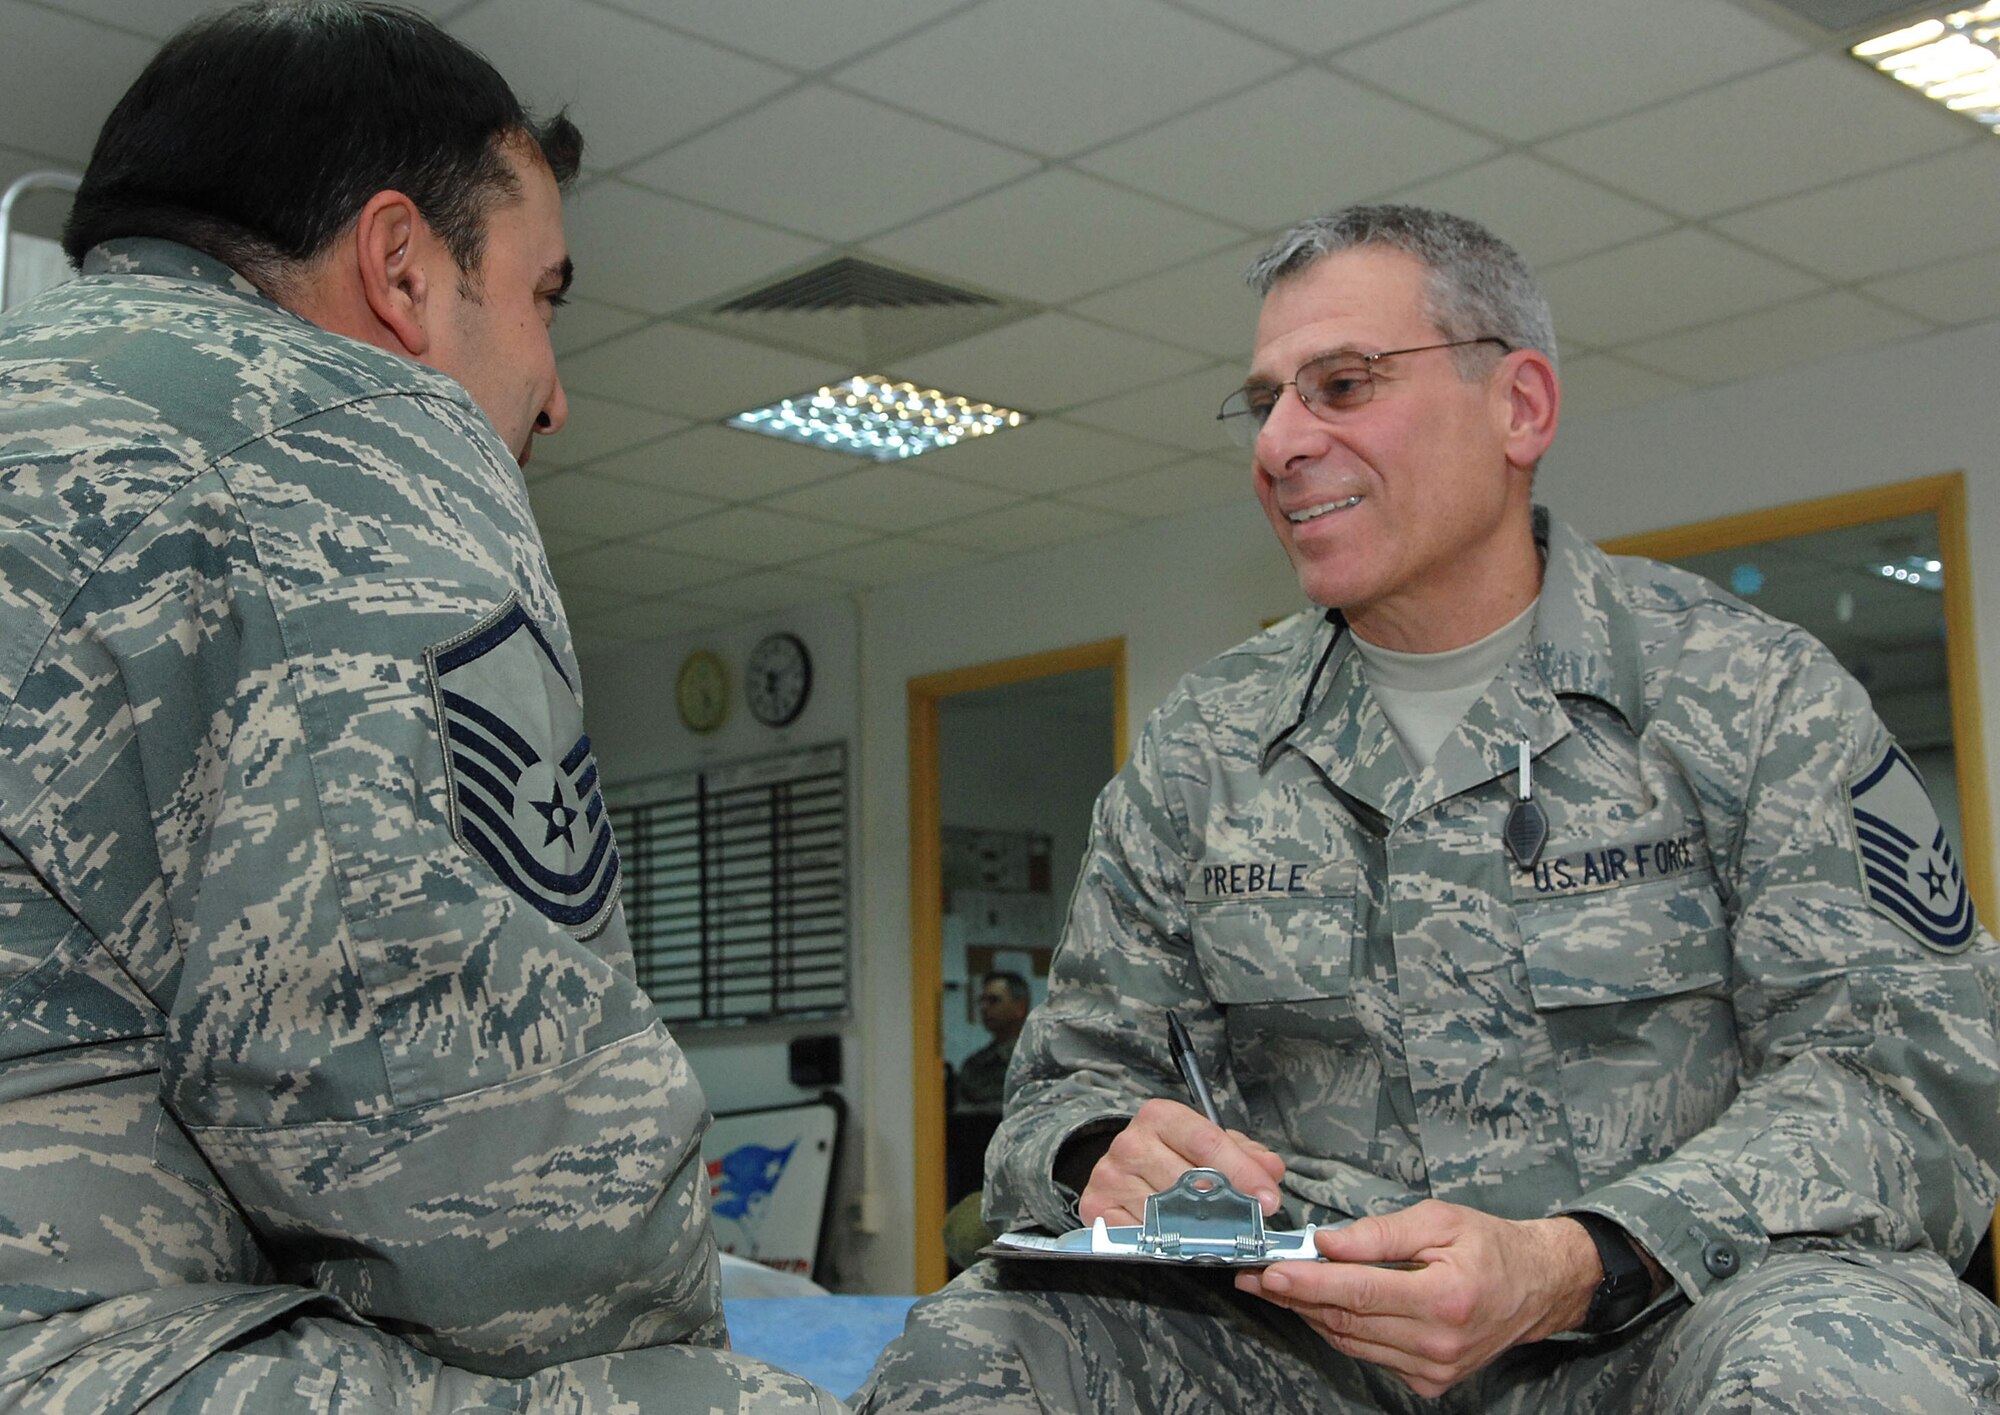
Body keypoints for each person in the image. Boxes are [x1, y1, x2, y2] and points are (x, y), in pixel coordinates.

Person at [856, 204, 2000, 1413]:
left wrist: (1576, 1257)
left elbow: (1909, 1077)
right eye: (1265, 401)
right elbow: (1062, 1085)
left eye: (1340, 384)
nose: (1281, 441)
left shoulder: (1748, 696)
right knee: (976, 1347)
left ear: (1517, 407)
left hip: (1663, 1322)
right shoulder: (1203, 748)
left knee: (1848, 1360)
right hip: (1310, 1349)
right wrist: (1101, 1153)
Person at [0, 5, 839, 1410]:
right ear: (400, 265)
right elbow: (494, 1166)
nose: (555, 394)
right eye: (543, 293)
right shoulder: (339, 428)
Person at [954, 971, 1032, 1115]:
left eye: (994, 1000)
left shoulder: (1042, 1060)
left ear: (1020, 1008)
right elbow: (961, 1116)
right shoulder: (974, 1065)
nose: (984, 1008)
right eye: (982, 1001)